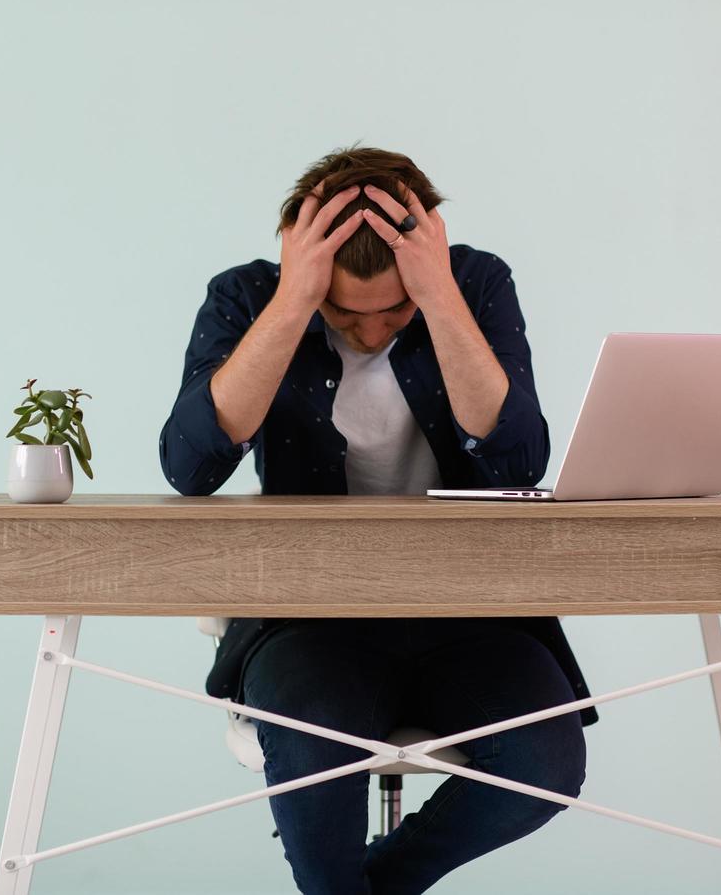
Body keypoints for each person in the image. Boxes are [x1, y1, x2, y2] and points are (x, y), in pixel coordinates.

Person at [158, 145, 595, 894]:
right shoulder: (247, 297)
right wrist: (294, 303)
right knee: (313, 759)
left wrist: (441, 298)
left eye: (396, 308)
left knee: (545, 762)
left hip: (470, 615)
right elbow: (191, 467)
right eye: (345, 312)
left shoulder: (474, 285)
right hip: (308, 620)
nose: (370, 330)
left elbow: (517, 460)